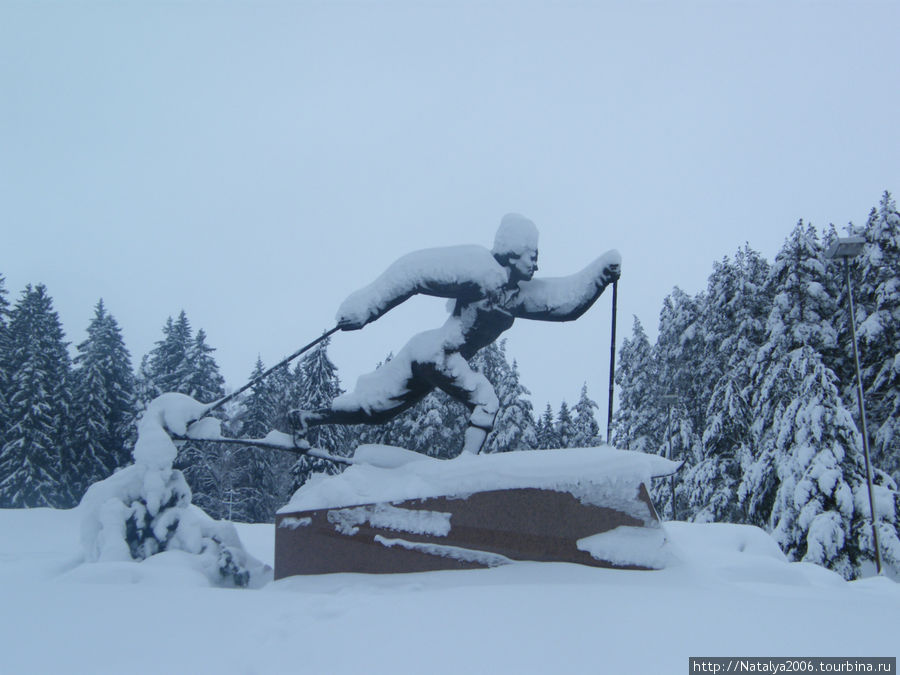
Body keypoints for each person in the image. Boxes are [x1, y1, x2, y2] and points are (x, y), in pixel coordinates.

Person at [290, 213, 620, 455]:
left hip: (430, 353)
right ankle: (465, 471)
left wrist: (602, 274)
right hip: (439, 352)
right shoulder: (482, 271)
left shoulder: (517, 296)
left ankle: (306, 418)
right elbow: (414, 271)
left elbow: (565, 305)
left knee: (375, 410)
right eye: (533, 256)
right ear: (514, 252)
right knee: (486, 401)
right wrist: (366, 307)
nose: (537, 266)